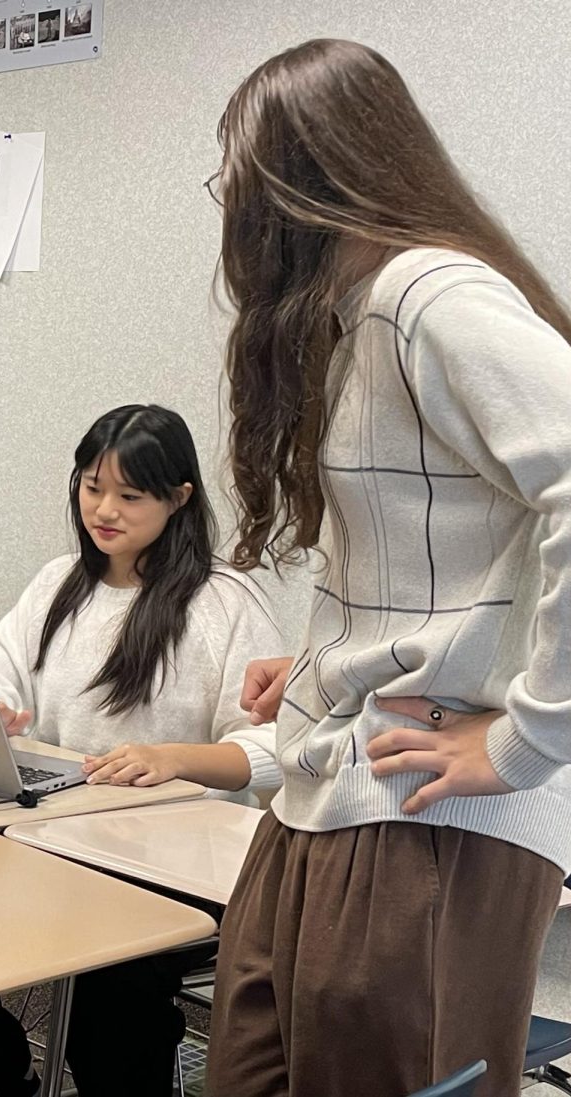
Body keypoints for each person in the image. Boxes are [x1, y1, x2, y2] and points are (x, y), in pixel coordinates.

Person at [203, 39, 571, 1097]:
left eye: (245, 175)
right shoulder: (358, 314)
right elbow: (444, 552)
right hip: (334, 782)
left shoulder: (427, 294)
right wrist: (322, 657)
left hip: (426, 814)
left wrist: (531, 735)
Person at [0, 404, 281, 1097]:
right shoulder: (57, 584)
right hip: (52, 839)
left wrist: (176, 757)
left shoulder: (222, 601)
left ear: (179, 498)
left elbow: (277, 741)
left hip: (176, 863)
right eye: (90, 487)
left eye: (129, 495)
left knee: (111, 999)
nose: (103, 510)